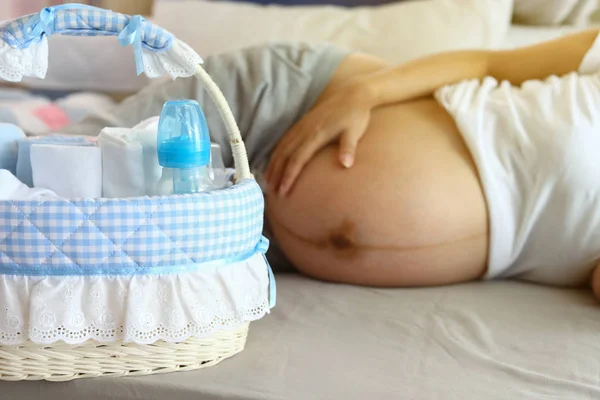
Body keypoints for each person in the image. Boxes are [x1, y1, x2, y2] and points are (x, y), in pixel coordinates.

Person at [65, 29, 600, 300]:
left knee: (70, 259)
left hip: (257, 247)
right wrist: (364, 93)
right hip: (292, 105)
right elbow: (488, 62)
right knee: (55, 169)